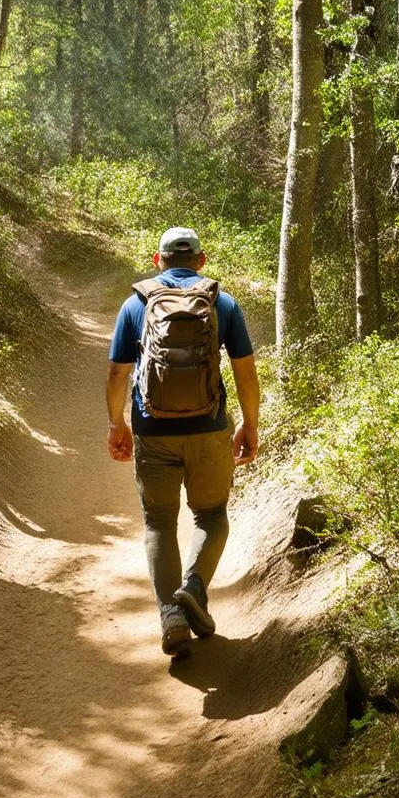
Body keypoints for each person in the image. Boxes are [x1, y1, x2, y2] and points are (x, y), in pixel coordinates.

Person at [105, 226, 261, 658]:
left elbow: (118, 373)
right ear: (201, 260)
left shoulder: (136, 304)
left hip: (153, 433)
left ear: (158, 261)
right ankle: (192, 587)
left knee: (158, 522)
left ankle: (171, 617)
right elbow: (245, 371)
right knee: (211, 516)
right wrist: (250, 424)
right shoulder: (223, 304)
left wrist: (117, 424)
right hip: (209, 430)